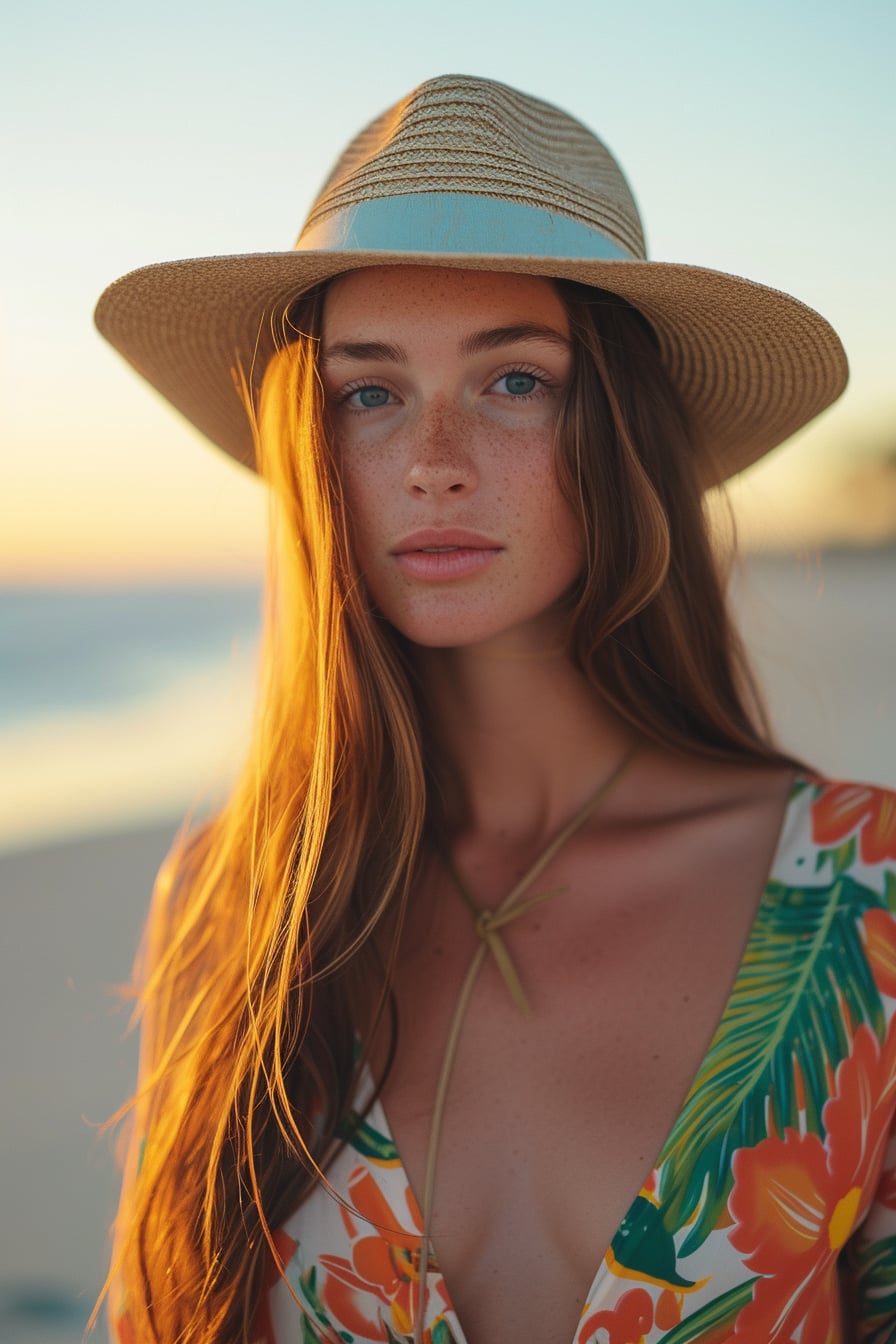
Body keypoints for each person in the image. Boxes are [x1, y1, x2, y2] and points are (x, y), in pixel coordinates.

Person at [95, 75, 896, 1344]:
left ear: (620, 424)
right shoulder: (232, 906)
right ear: (315, 449)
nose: (432, 456)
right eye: (369, 392)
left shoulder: (865, 899)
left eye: (514, 380)